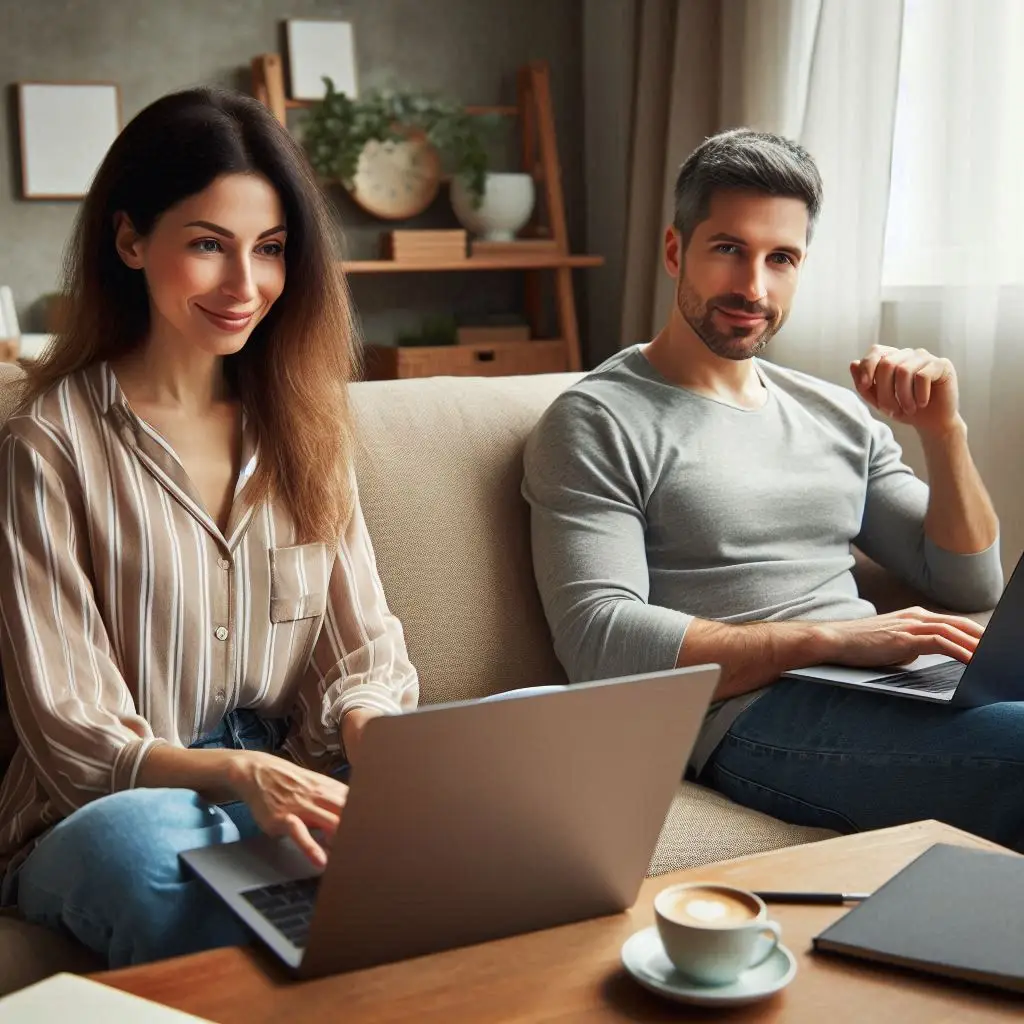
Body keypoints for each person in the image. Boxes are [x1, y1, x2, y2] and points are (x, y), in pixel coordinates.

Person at [0, 88, 418, 967]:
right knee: (139, 853)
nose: (245, 286)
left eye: (269, 250)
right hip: (110, 809)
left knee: (522, 745)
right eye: (207, 245)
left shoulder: (304, 425)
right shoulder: (48, 445)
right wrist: (237, 775)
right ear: (129, 241)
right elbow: (72, 732)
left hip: (291, 780)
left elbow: (362, 648)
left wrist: (378, 738)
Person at [522, 128, 1023, 850]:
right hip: (749, 715)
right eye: (728, 249)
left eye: (780, 258)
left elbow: (967, 577)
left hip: (887, 687)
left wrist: (945, 435)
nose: (753, 288)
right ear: (674, 252)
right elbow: (598, 638)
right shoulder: (596, 420)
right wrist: (833, 639)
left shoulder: (834, 412)